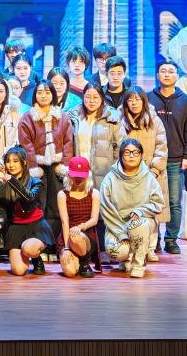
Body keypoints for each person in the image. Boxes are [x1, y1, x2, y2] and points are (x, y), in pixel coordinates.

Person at [148, 60, 187, 255]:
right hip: (152, 159)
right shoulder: (148, 98)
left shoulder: (186, 101)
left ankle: (171, 239)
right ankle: (154, 240)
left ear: (177, 76)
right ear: (157, 75)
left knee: (175, 202)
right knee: (151, 200)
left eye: (171, 71)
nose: (167, 74)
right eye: (163, 71)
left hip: (176, 159)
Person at [99, 138, 164, 278]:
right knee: (116, 251)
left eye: (136, 152)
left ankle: (139, 263)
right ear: (121, 155)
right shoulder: (110, 179)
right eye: (127, 152)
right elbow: (106, 209)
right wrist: (121, 233)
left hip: (142, 222)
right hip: (117, 224)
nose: (132, 156)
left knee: (137, 225)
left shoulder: (148, 178)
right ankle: (126, 258)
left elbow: (159, 203)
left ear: (141, 155)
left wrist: (141, 210)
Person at [19, 79, 73, 239]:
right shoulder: (27, 118)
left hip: (57, 167)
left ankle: (55, 243)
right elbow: (26, 145)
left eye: (47, 92)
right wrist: (33, 167)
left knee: (57, 205)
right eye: (40, 92)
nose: (43, 96)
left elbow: (68, 142)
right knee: (38, 204)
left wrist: (64, 165)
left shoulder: (62, 117)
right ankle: (38, 241)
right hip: (37, 168)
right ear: (35, 95)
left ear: (53, 94)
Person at [120, 89, 169, 261]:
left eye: (137, 99)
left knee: (151, 212)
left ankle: (150, 248)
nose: (134, 103)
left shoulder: (154, 120)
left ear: (144, 101)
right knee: (130, 212)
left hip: (151, 175)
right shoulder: (120, 120)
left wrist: (154, 170)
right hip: (128, 175)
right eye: (130, 100)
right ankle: (133, 248)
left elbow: (162, 147)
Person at [1, 146, 54, 276]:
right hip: (16, 227)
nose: (11, 165)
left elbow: (29, 200)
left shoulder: (36, 182)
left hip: (35, 226)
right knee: (18, 271)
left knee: (29, 249)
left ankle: (36, 258)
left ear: (24, 162)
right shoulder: (3, 184)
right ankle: (26, 256)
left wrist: (12, 180)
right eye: (8, 161)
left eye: (15, 161)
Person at [57, 156, 99, 279]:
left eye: (81, 175)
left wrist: (80, 227)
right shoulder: (63, 194)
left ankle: (85, 261)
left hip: (86, 235)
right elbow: (64, 222)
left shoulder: (94, 193)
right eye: (75, 175)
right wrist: (66, 247)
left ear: (88, 175)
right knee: (70, 272)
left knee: (75, 236)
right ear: (69, 175)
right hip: (67, 236)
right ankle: (80, 262)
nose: (78, 178)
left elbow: (94, 219)